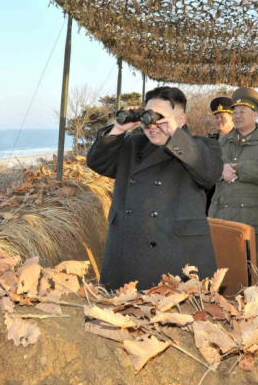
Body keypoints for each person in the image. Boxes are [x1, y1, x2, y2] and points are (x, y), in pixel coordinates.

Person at [87, 86, 223, 291]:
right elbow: (97, 162)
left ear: (181, 120)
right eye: (148, 117)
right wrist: (118, 129)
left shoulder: (202, 147)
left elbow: (209, 175)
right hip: (128, 251)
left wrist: (174, 136)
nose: (153, 126)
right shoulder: (132, 145)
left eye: (160, 118)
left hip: (177, 253)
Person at [208, 88, 258, 284]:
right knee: (221, 264)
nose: (237, 115)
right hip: (221, 213)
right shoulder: (222, 141)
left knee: (253, 268)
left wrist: (239, 168)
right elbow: (208, 168)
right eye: (235, 111)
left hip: (250, 217)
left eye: (243, 111)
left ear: (256, 114)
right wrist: (219, 169)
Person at [206, 97, 235, 213]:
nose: (219, 120)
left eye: (222, 117)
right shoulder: (210, 141)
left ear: (232, 118)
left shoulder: (240, 141)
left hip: (229, 199)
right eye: (216, 117)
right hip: (209, 198)